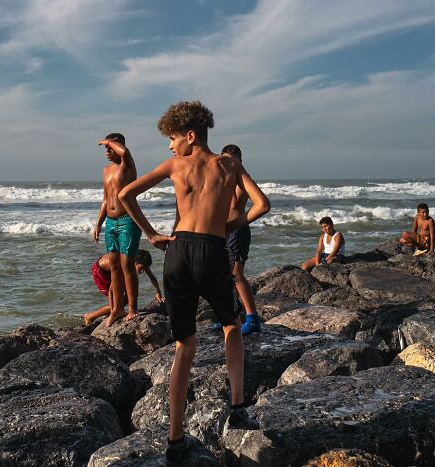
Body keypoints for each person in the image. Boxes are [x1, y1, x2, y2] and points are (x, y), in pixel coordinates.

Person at [118, 101, 270, 463]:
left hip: (178, 251)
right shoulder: (230, 164)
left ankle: (174, 440)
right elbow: (262, 204)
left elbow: (125, 195)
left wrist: (152, 235)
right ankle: (237, 406)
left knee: (184, 343)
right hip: (212, 250)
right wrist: (230, 225)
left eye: (172, 139)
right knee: (231, 326)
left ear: (190, 135)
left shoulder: (175, 165)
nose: (170, 147)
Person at [93, 133, 141, 324]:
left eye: (110, 148)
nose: (107, 151)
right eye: (105, 148)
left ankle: (133, 308)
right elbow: (106, 199)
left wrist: (111, 142)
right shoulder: (106, 171)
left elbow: (125, 152)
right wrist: (98, 223)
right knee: (114, 266)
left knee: (127, 265)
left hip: (128, 220)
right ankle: (117, 309)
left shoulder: (127, 166)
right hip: (111, 222)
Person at [217, 144, 262, 335]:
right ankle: (230, 316)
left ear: (239, 161)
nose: (229, 164)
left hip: (237, 231)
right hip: (223, 231)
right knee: (222, 276)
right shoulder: (222, 178)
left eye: (232, 160)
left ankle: (252, 318)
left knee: (237, 275)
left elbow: (235, 203)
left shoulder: (242, 178)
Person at [83, 249, 164, 326]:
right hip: (100, 271)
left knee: (128, 295)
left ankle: (111, 310)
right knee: (119, 301)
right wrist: (113, 311)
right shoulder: (124, 265)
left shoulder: (139, 261)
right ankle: (90, 316)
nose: (142, 271)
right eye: (141, 268)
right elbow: (112, 290)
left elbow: (152, 277)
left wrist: (158, 292)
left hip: (111, 267)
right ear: (135, 262)